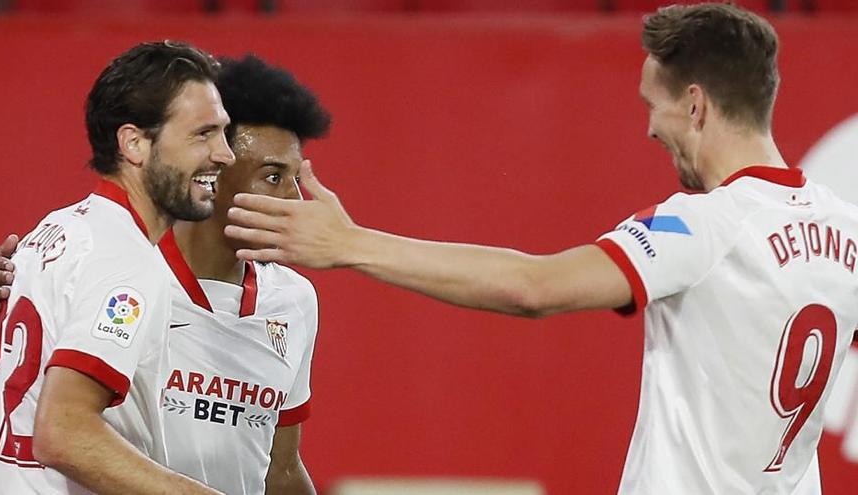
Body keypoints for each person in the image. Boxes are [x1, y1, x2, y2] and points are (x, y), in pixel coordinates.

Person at [223, 4, 858, 494]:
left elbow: (534, 286)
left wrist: (351, 244)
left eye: (653, 105)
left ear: (695, 105)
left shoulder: (704, 224)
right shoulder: (843, 229)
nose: (648, 126)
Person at [0, 54, 330, 495]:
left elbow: (281, 469)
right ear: (135, 144)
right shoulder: (132, 264)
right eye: (204, 136)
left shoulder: (55, 233)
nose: (219, 155)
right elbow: (63, 431)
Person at [157, 54, 329, 495]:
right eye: (273, 177)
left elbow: (281, 469)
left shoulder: (294, 300)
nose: (295, 200)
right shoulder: (130, 277)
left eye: (295, 179)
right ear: (210, 173)